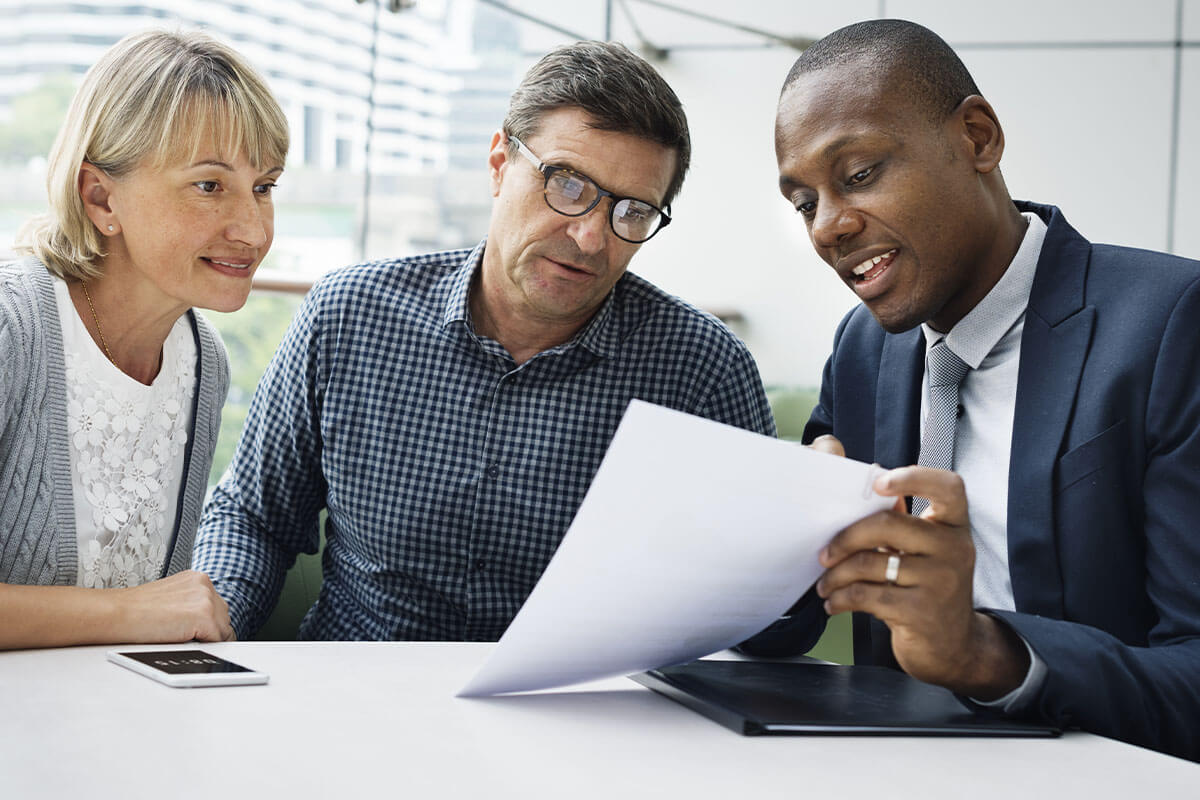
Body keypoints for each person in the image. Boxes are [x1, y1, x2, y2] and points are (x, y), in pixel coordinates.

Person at [193, 41, 774, 642]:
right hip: (353, 699)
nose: (591, 237)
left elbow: (758, 610)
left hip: (579, 720)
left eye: (631, 213)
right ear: (500, 162)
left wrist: (801, 552)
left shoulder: (703, 370)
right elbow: (253, 518)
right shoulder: (349, 315)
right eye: (568, 185)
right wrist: (209, 630)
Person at [747, 19, 1200, 761]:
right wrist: (767, 549)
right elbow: (791, 628)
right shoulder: (862, 350)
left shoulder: (1172, 324)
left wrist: (988, 654)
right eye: (804, 202)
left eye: (858, 173)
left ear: (978, 139)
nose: (829, 225)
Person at [0, 29, 289, 649]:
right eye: (209, 186)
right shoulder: (11, 327)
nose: (253, 229)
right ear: (102, 198)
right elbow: (148, 612)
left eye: (264, 187)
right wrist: (130, 615)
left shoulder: (202, 361)